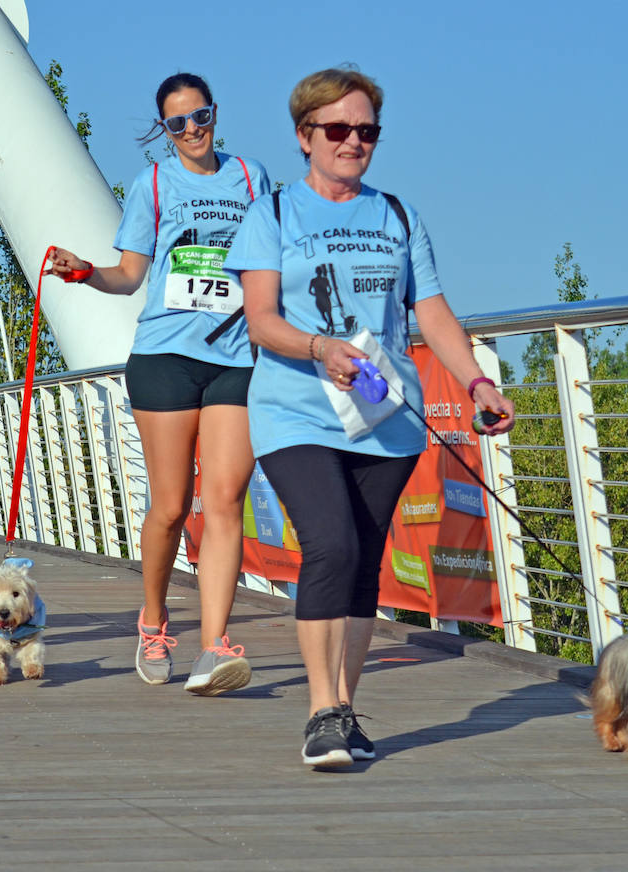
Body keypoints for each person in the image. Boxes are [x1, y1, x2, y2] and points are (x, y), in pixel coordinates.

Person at [224, 67, 516, 768]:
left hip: (385, 416)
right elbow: (260, 321)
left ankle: (346, 711)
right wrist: (319, 347)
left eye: (367, 131)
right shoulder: (272, 215)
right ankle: (321, 711)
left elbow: (433, 312)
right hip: (296, 409)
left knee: (362, 565)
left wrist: (477, 380)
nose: (353, 142)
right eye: (337, 130)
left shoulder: (398, 215)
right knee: (330, 545)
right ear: (304, 137)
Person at [46, 73, 270, 694]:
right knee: (171, 506)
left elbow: (269, 265)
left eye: (200, 117)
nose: (192, 131)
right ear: (164, 131)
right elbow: (129, 275)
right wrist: (85, 272)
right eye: (177, 124)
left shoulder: (252, 178)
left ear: (215, 114)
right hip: (165, 354)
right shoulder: (153, 183)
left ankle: (214, 646)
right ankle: (152, 620)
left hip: (235, 358)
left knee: (224, 501)